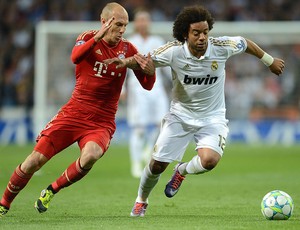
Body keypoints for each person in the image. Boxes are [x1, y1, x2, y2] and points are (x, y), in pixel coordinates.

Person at [104, 5, 285, 217]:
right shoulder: (173, 51)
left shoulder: (220, 47)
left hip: (213, 117)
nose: (202, 38)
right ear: (185, 34)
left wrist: (269, 61)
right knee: (156, 166)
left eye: (205, 32)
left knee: (209, 161)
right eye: (196, 33)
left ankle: (181, 170)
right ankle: (141, 200)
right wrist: (124, 62)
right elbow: (143, 60)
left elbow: (245, 43)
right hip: (180, 116)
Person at [0, 2, 156, 217]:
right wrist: (97, 37)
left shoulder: (128, 49)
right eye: (118, 24)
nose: (122, 30)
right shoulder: (87, 37)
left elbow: (148, 85)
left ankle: (52, 189)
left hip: (101, 122)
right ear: (104, 22)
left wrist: (151, 71)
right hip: (73, 113)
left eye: (124, 26)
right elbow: (75, 57)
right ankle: (4, 203)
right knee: (33, 161)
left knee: (91, 155)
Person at [124, 9, 170, 178]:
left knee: (164, 125)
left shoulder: (157, 41)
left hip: (157, 88)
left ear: (149, 23)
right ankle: (135, 163)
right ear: (135, 23)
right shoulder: (129, 43)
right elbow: (123, 68)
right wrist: (122, 89)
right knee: (139, 129)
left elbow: (165, 66)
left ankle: (148, 149)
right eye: (140, 20)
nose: (143, 23)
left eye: (146, 20)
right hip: (137, 89)